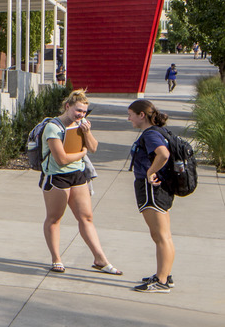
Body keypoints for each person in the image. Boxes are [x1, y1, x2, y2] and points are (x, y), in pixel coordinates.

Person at [37, 89, 120, 275]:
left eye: (84, 112)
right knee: (54, 218)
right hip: (57, 177)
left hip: (78, 175)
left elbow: (94, 147)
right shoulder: (53, 127)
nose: (81, 115)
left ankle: (100, 259)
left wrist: (87, 132)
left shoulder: (81, 124)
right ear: (68, 106)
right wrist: (82, 153)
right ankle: (56, 259)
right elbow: (61, 159)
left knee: (86, 217)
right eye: (78, 111)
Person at [128, 98, 176, 292]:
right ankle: (164, 274)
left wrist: (150, 172)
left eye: (130, 115)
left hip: (151, 189)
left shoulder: (150, 134)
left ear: (142, 115)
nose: (129, 119)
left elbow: (163, 154)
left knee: (161, 236)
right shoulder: (159, 131)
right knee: (162, 235)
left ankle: (161, 281)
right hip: (160, 188)